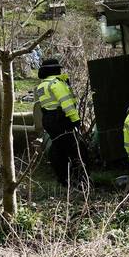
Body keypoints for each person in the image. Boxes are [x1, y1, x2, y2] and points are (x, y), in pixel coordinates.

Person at [35, 58, 86, 187]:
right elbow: (67, 104)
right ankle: (81, 180)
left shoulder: (41, 86)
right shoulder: (56, 84)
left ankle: (63, 179)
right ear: (54, 69)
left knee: (58, 149)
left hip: (49, 120)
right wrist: (76, 120)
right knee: (76, 149)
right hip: (61, 120)